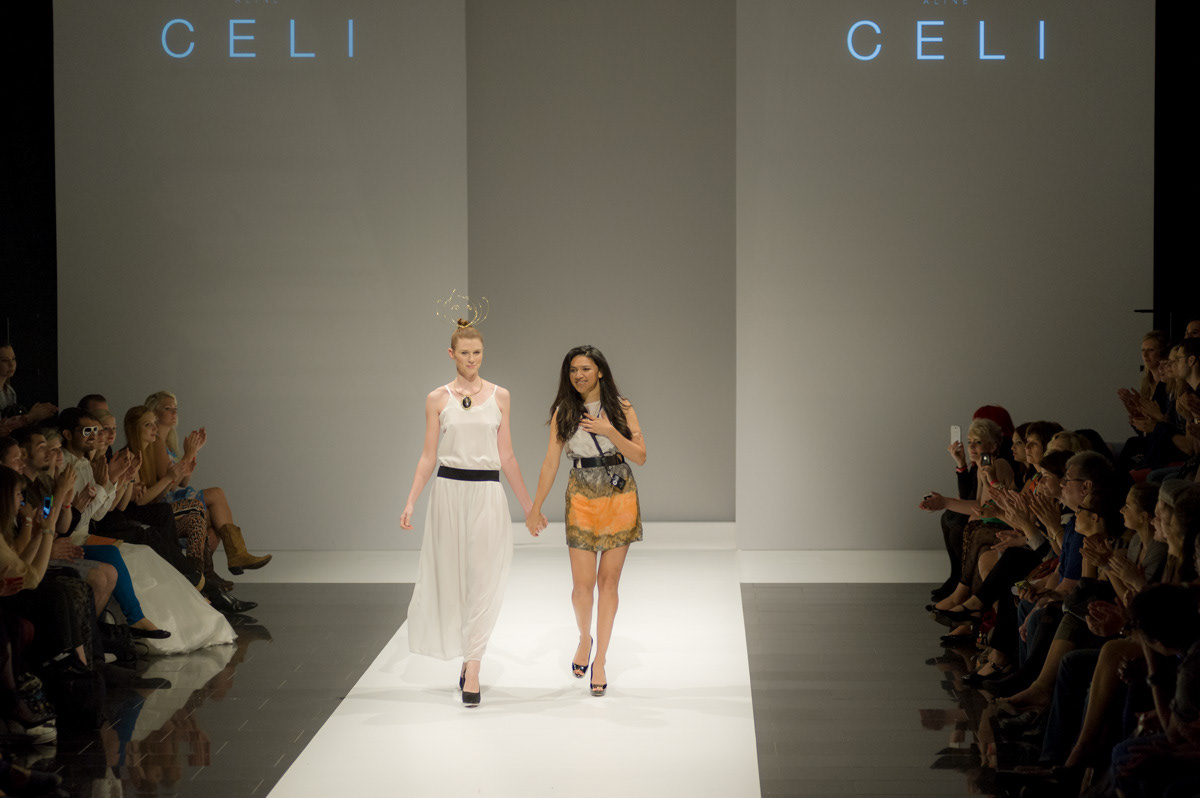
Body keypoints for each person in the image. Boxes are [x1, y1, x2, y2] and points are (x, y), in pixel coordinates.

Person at [399, 317, 535, 707]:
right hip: (447, 493)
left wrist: (529, 506)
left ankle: (473, 667)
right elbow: (428, 455)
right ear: (451, 354)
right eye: (464, 353)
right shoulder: (437, 399)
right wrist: (411, 500)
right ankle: (466, 656)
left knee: (483, 578)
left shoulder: (500, 396)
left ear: (483, 353)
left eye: (477, 352)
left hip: (487, 492)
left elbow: (507, 456)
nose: (471, 359)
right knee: (454, 580)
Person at [527, 345, 647, 698]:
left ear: (600, 371)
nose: (579, 375)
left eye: (585, 369)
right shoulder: (564, 411)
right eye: (573, 370)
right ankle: (584, 638)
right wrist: (535, 507)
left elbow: (640, 456)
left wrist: (609, 431)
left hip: (619, 493)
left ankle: (601, 661)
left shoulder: (622, 407)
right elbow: (551, 462)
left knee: (608, 584)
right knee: (582, 588)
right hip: (581, 493)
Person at [142, 390, 271, 574]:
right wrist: (188, 454)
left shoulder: (166, 443)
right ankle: (232, 557)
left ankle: (205, 572)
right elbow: (169, 484)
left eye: (175, 408)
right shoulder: (156, 444)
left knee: (217, 522)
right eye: (168, 408)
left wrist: (193, 453)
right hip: (165, 507)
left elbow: (182, 482)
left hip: (174, 502)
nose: (174, 412)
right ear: (154, 413)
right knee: (217, 497)